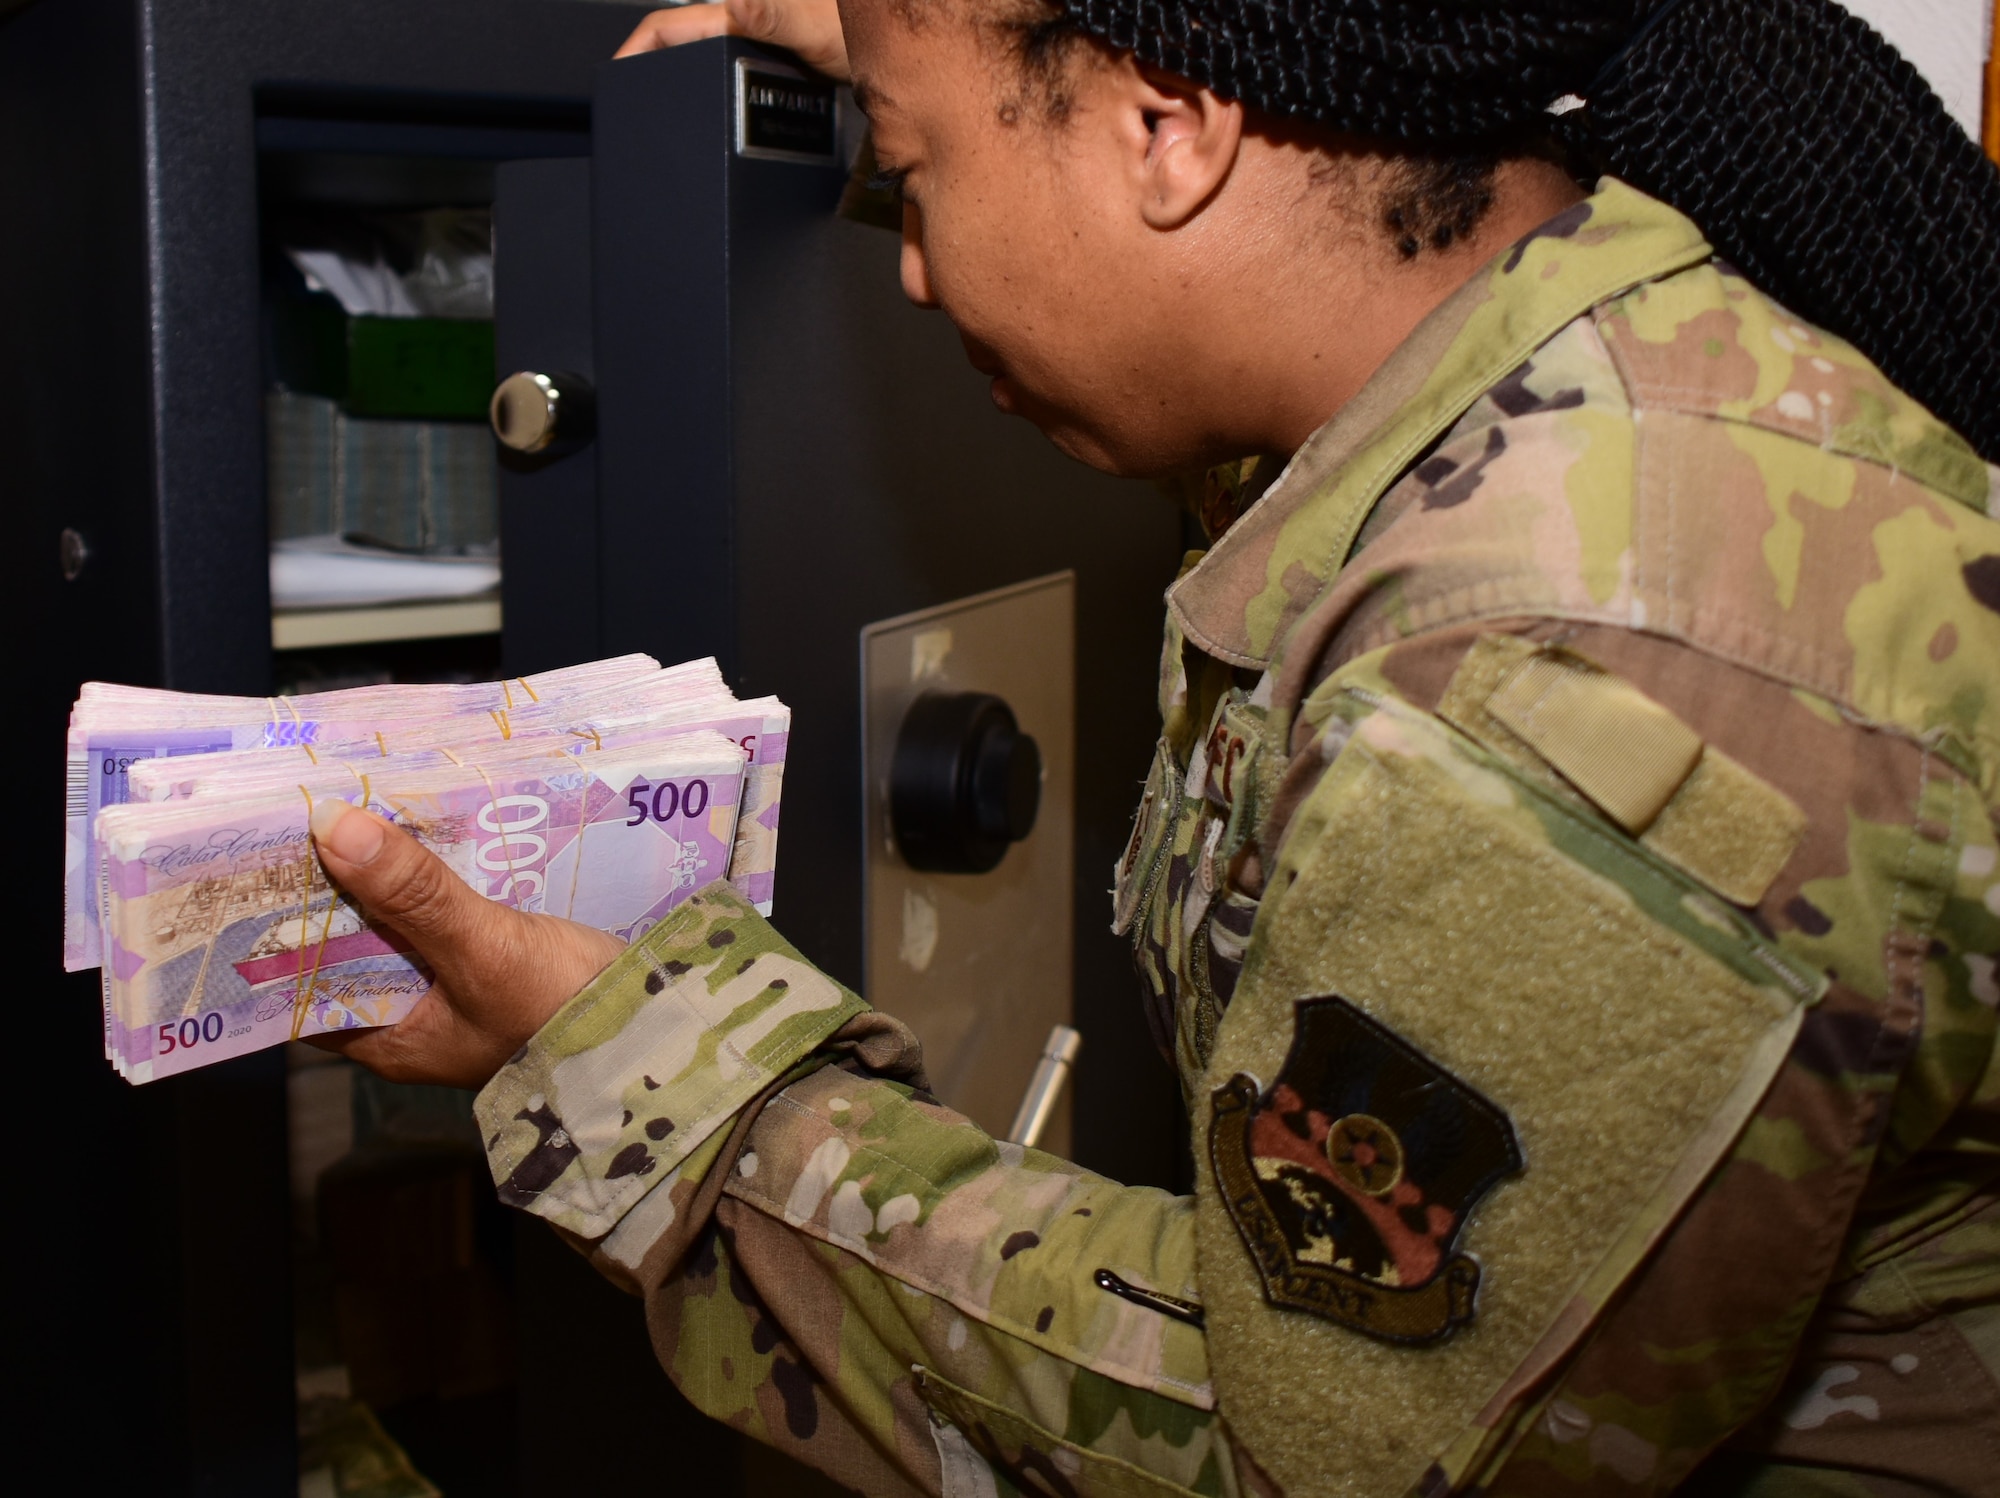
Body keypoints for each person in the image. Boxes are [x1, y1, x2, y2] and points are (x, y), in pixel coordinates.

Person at [304, 0, 2000, 1492]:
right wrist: (932, 53)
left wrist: (628, 1057)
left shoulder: (1557, 684)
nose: (909, 260)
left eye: (913, 167)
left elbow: (1301, 1453)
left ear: (1172, 127)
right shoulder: (1503, 371)